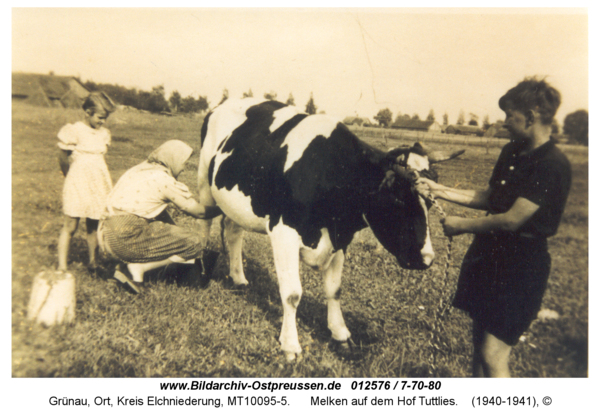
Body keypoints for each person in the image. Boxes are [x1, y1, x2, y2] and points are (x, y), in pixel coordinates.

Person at [417, 77, 571, 377]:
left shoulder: (552, 164)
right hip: (488, 256)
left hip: (521, 264)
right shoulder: (512, 152)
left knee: (493, 353)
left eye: (509, 115)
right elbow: (490, 197)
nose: (504, 123)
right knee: (479, 345)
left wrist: (462, 225)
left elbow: (514, 218)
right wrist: (439, 189)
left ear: (533, 114)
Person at [99, 140, 223, 292]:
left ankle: (123, 265)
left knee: (177, 237)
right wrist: (223, 208)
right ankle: (137, 269)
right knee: (194, 242)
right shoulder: (163, 180)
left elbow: (157, 213)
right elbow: (199, 212)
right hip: (126, 236)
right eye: (183, 162)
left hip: (107, 235)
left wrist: (177, 236)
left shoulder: (140, 170)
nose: (183, 168)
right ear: (172, 159)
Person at [57, 91, 117, 272]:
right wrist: (70, 176)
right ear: (88, 112)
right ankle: (61, 265)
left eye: (105, 118)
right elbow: (62, 157)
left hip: (98, 184)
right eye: (100, 117)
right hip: (77, 183)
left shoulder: (104, 134)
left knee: (94, 223)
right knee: (71, 224)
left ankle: (93, 261)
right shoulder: (74, 130)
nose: (103, 122)